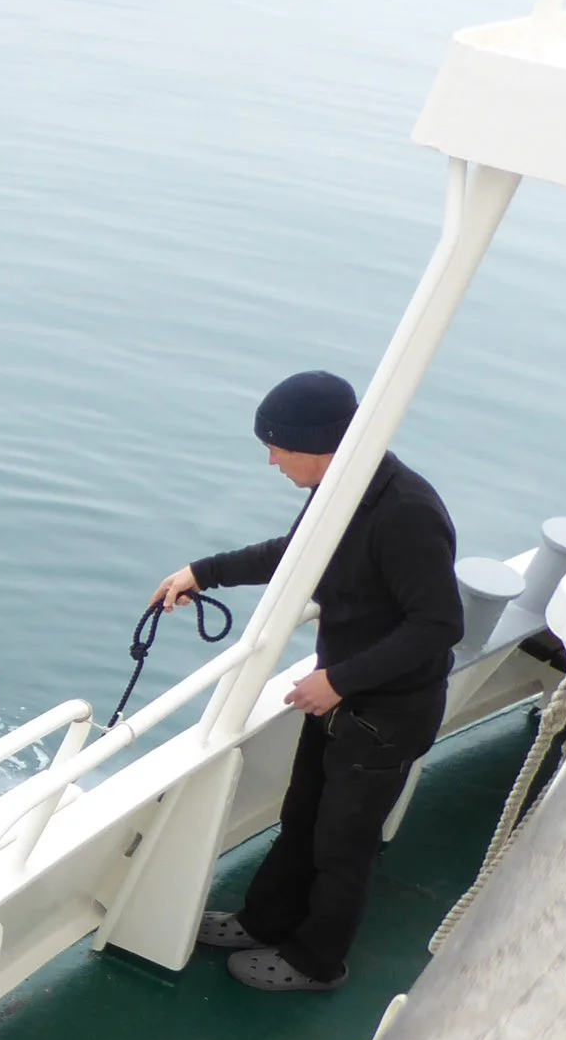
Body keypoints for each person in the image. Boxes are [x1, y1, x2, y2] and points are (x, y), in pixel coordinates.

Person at [150, 371, 462, 992]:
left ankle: (318, 961)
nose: (270, 459)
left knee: (342, 844)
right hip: (343, 701)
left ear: (318, 444)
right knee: (303, 817)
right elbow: (296, 555)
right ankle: (266, 920)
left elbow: (438, 623)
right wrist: (202, 573)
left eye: (277, 447)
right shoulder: (345, 488)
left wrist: (340, 680)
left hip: (381, 716)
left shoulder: (405, 512)